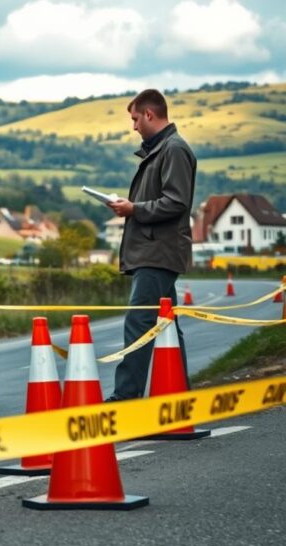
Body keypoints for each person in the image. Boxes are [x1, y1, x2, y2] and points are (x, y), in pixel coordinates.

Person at [106, 89, 195, 401]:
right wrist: (132, 207)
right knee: (166, 325)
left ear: (149, 114)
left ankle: (126, 398)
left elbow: (176, 202)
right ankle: (180, 396)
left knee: (139, 321)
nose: (133, 127)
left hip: (158, 252)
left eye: (134, 119)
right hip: (155, 251)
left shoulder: (174, 150)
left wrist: (134, 209)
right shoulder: (163, 150)